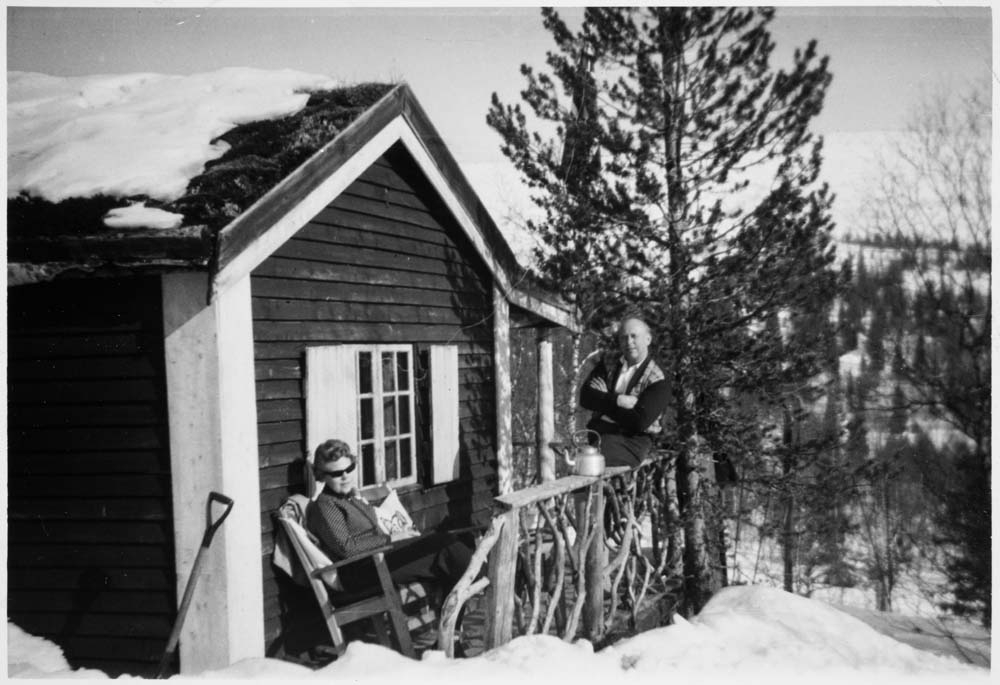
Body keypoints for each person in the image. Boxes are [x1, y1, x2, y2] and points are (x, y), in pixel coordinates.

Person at [305, 439, 475, 603]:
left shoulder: (350, 497)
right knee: (444, 547)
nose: (345, 476)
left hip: (378, 559)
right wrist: (392, 539)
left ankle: (452, 621)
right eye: (336, 473)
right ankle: (479, 580)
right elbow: (347, 548)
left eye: (349, 468)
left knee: (447, 541)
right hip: (358, 572)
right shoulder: (326, 504)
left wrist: (403, 537)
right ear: (322, 476)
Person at [578, 316, 671, 468]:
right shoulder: (609, 362)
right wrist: (618, 400)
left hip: (632, 443)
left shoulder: (658, 378)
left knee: (588, 465)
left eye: (634, 336)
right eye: (624, 338)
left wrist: (604, 400)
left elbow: (638, 422)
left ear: (648, 339)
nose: (629, 342)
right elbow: (586, 397)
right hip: (599, 435)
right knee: (581, 461)